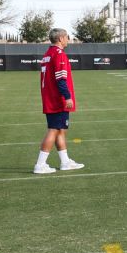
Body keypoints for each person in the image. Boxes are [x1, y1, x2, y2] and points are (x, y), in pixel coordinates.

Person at [34, 28, 84, 174]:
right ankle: (40, 164)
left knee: (59, 130)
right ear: (61, 38)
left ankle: (65, 162)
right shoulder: (59, 54)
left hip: (49, 97)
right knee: (54, 130)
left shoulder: (48, 54)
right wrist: (67, 96)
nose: (68, 39)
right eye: (67, 37)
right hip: (57, 99)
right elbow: (61, 79)